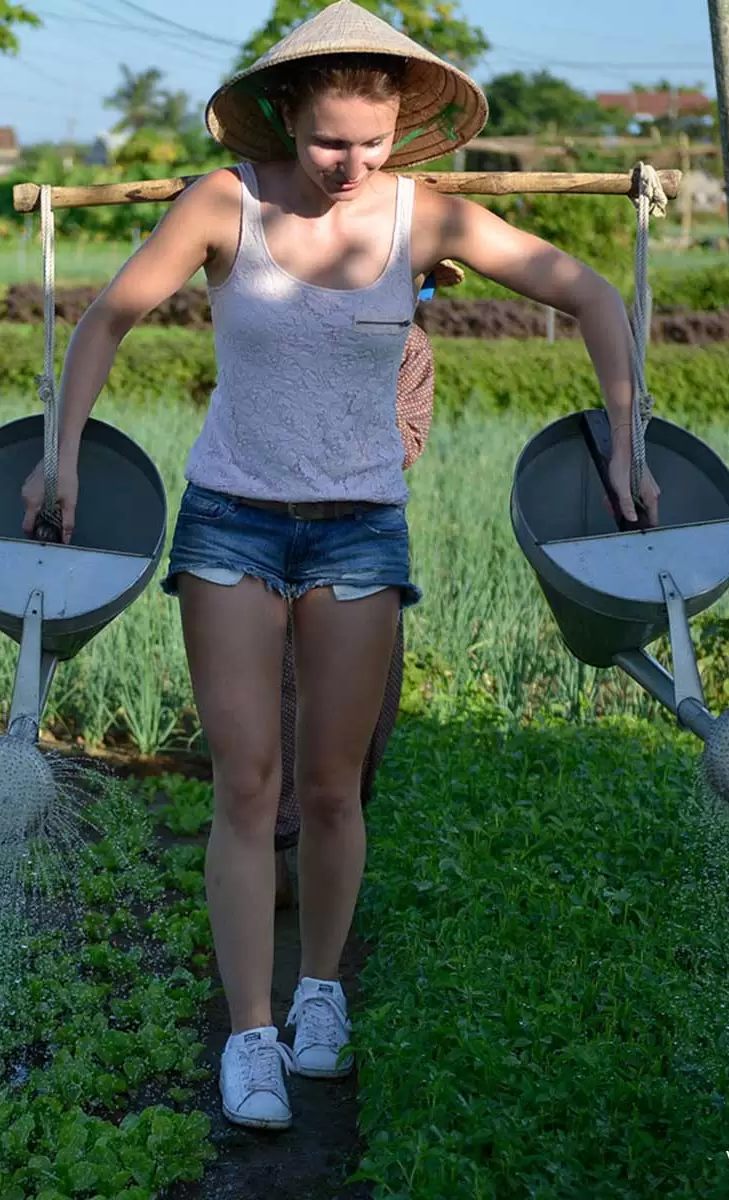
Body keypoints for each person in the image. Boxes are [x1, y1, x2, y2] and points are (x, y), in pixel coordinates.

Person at [18, 0, 660, 1133]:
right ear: (284, 122)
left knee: (331, 785)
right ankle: (250, 1034)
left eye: (369, 141)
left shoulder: (423, 219)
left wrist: (627, 437)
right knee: (246, 781)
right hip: (230, 523)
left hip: (362, 526)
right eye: (327, 142)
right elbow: (109, 318)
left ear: (398, 127)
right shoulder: (227, 203)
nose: (349, 164)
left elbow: (593, 294)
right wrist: (58, 456)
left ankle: (322, 999)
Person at [271, 260, 458, 913]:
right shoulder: (293, 334)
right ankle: (274, 848)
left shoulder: (410, 349)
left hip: (365, 534)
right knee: (282, 687)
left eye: (413, 284)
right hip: (278, 528)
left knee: (373, 694)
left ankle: (332, 832)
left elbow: (407, 440)